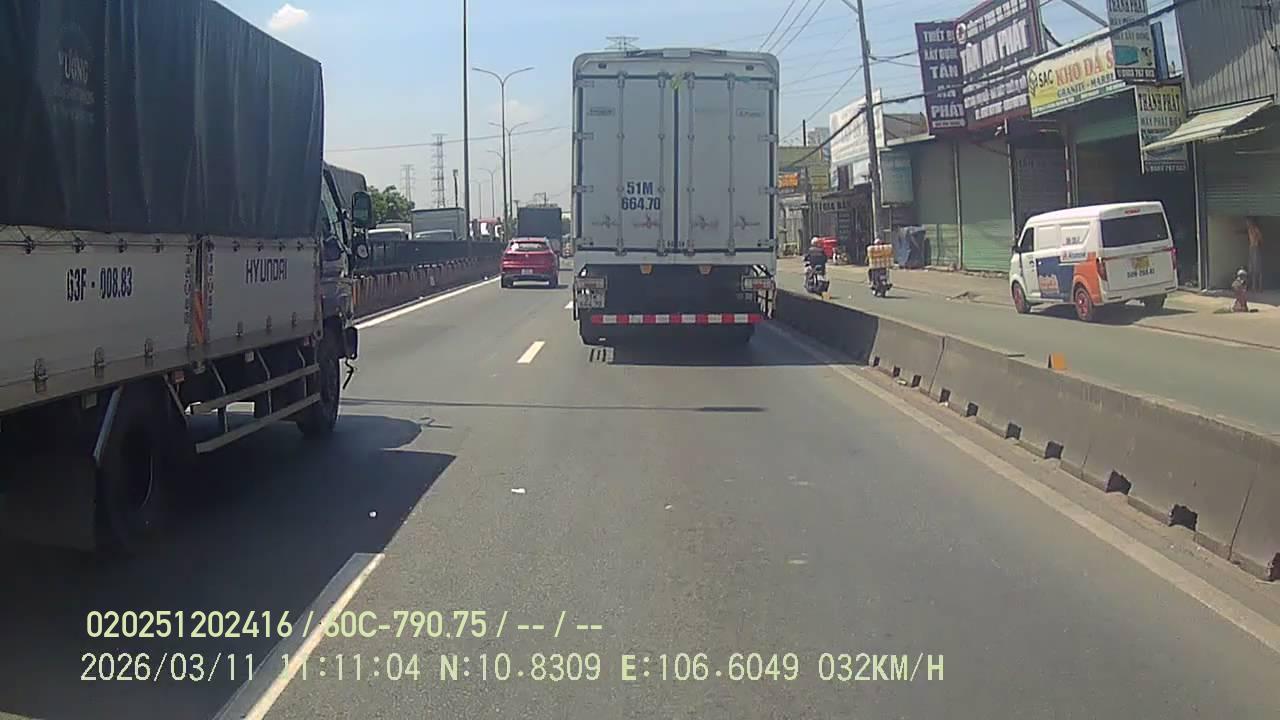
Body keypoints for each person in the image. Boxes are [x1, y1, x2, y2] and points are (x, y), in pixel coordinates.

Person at [1246, 216, 1264, 292]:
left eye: (1248, 222)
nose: (1247, 223)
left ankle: (1259, 286)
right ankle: (1253, 286)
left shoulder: (1255, 229)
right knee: (1252, 268)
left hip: (1256, 247)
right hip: (1251, 248)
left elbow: (1260, 238)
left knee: (1258, 268)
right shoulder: (1249, 229)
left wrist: (1259, 245)